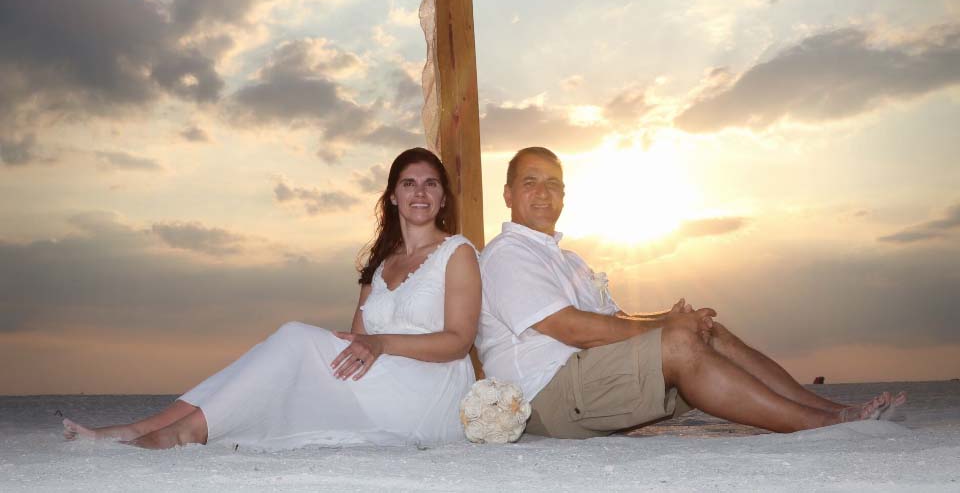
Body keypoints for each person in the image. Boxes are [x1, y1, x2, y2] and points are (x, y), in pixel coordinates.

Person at [63, 147, 481, 450]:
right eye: (409, 183)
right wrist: (360, 347)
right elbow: (356, 342)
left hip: (428, 393)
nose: (420, 192)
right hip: (380, 383)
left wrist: (382, 343)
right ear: (392, 196)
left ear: (444, 197)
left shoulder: (456, 253)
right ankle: (144, 427)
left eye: (431, 184)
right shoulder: (380, 264)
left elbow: (459, 341)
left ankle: (184, 432)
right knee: (275, 351)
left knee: (295, 337)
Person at [476, 146, 905, 439]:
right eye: (530, 182)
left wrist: (671, 318)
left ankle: (828, 410)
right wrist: (668, 328)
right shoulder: (506, 255)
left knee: (704, 330)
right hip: (545, 399)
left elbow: (617, 321)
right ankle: (819, 425)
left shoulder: (569, 260)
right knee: (680, 341)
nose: (543, 192)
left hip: (587, 380)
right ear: (509, 194)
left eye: (553, 183)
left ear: (564, 196)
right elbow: (570, 328)